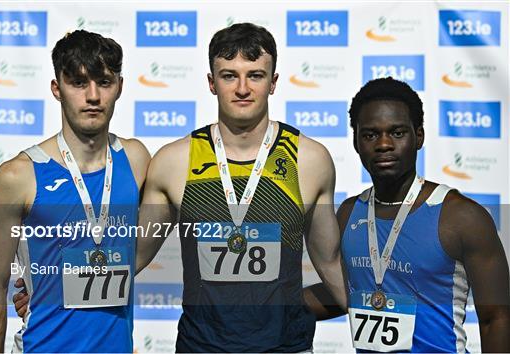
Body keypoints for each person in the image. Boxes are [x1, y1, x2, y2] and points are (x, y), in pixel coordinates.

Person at [135, 22, 347, 352]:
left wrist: (390, 307)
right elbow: (131, 256)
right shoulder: (174, 161)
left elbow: (330, 263)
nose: (243, 88)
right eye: (229, 75)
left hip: (285, 347)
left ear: (273, 82)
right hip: (200, 347)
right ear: (211, 83)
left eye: (256, 75)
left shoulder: (309, 159)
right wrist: (50, 287)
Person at [307, 77, 510, 352]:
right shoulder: (349, 214)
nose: (384, 144)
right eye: (370, 135)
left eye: (397, 132)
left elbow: (496, 319)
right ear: (355, 142)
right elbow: (339, 293)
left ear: (419, 136)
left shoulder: (462, 218)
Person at [0, 30, 151, 353]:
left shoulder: (136, 160)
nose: (93, 96)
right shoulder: (18, 176)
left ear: (120, 87)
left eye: (104, 81)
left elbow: (130, 253)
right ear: (57, 89)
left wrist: (53, 287)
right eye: (78, 82)